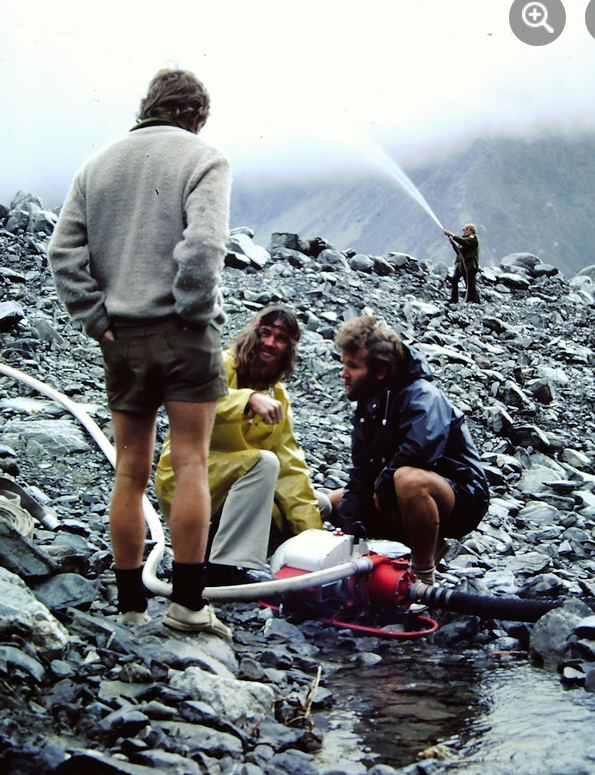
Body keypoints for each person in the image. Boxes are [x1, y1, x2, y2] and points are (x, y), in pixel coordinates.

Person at [48, 68, 232, 638]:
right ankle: (187, 605)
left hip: (121, 338)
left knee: (129, 471)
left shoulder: (97, 164)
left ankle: (130, 606)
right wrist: (192, 311)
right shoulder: (205, 158)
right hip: (184, 333)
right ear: (195, 114)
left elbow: (63, 252)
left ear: (149, 106)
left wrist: (95, 320)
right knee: (191, 462)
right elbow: (202, 247)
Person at [155, 305, 330, 585]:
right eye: (265, 333)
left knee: (317, 504)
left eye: (281, 338)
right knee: (263, 462)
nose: (270, 343)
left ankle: (234, 552)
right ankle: (226, 569)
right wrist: (246, 399)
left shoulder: (278, 395)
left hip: (232, 495)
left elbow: (291, 469)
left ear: (289, 348)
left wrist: (316, 542)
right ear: (251, 333)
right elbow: (188, 394)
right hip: (186, 483)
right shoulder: (220, 363)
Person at [329, 315, 489, 586]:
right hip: (396, 495)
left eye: (352, 366)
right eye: (344, 364)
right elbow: (360, 474)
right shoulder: (369, 405)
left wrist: (380, 489)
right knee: (333, 501)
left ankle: (424, 577)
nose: (343, 374)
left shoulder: (422, 395)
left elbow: (420, 452)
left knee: (407, 479)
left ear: (379, 371)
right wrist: (350, 536)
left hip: (460, 497)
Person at [443, 224, 480, 304]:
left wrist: (452, 235)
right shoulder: (464, 240)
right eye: (464, 229)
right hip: (461, 266)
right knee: (454, 280)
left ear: (472, 231)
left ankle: (475, 301)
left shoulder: (473, 239)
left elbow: (465, 242)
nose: (465, 231)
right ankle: (454, 299)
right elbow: (459, 252)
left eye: (467, 229)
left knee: (470, 284)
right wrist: (453, 244)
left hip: (470, 266)